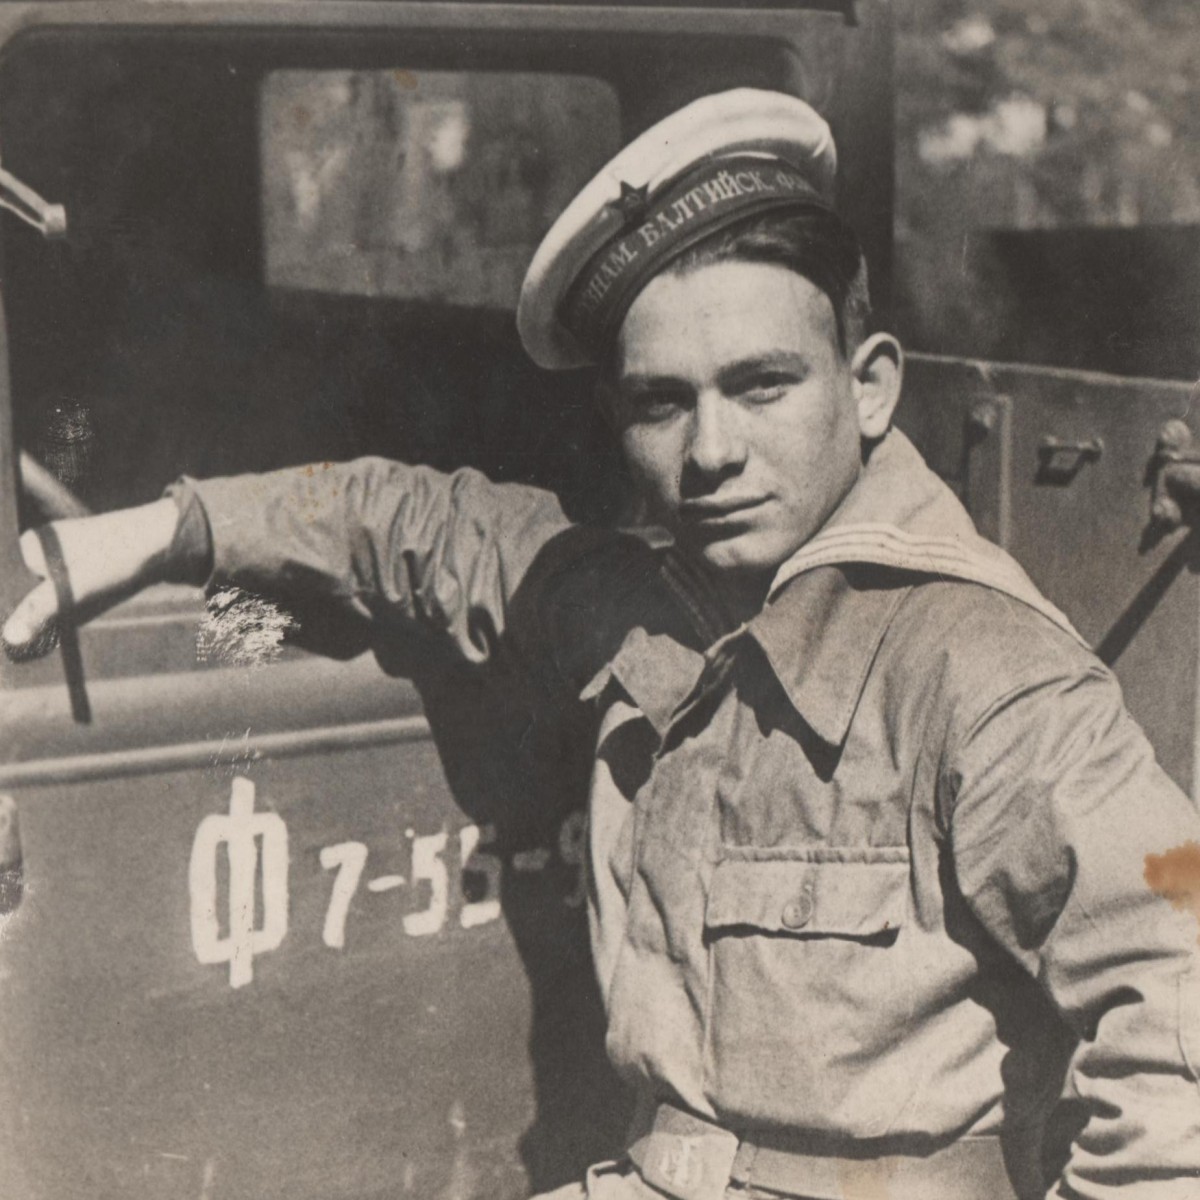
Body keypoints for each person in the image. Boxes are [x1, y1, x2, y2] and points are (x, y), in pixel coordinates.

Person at [5, 89, 1200, 1200]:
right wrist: (174, 528)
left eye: (763, 386)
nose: (711, 451)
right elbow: (422, 526)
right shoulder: (647, 606)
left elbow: (1180, 971)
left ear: (871, 384)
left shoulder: (984, 671)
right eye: (661, 403)